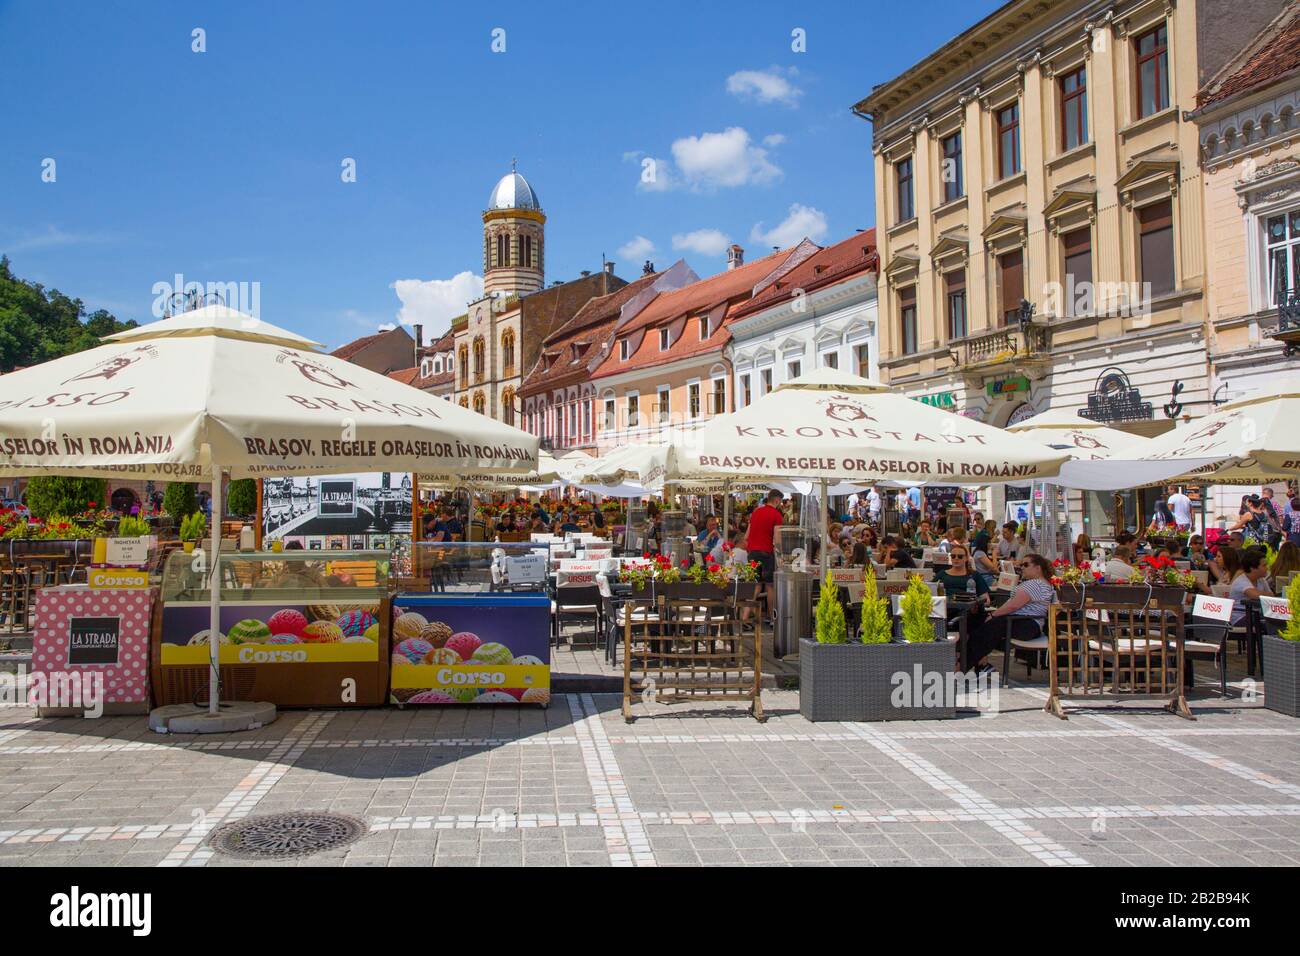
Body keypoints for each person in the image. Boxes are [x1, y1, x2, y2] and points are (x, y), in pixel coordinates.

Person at [964, 554, 1056, 673]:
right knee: (976, 622)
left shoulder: (1036, 584)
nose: (1022, 567)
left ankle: (963, 666)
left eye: (1026, 564)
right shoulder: (1037, 583)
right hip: (1021, 622)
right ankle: (978, 664)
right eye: (1021, 564)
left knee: (988, 628)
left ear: (1038, 568)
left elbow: (1013, 605)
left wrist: (993, 615)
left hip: (1027, 624)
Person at [745, 490, 784, 622]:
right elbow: (778, 540)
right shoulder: (776, 515)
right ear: (777, 500)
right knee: (770, 585)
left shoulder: (755, 512)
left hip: (752, 552)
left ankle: (744, 617)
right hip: (766, 553)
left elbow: (746, 536)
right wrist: (781, 555)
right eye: (780, 502)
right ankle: (771, 618)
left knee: (755, 585)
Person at [1229, 547, 1272, 626]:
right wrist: (1265, 594)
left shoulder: (1261, 580)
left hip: (1254, 615)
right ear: (1253, 568)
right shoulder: (1241, 581)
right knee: (1267, 622)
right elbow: (1254, 595)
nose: (1267, 568)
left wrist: (1264, 594)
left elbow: (1271, 596)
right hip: (1239, 618)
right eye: (1264, 565)